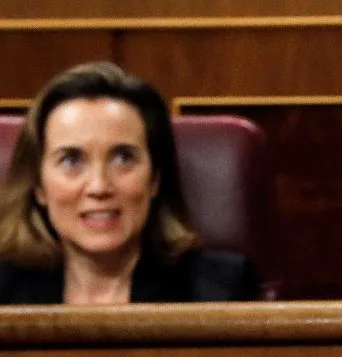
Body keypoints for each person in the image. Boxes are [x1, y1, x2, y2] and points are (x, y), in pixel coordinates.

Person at [0, 62, 260, 305]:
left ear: (155, 178)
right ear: (38, 186)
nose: (99, 187)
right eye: (72, 160)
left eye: (123, 158)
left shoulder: (220, 290)